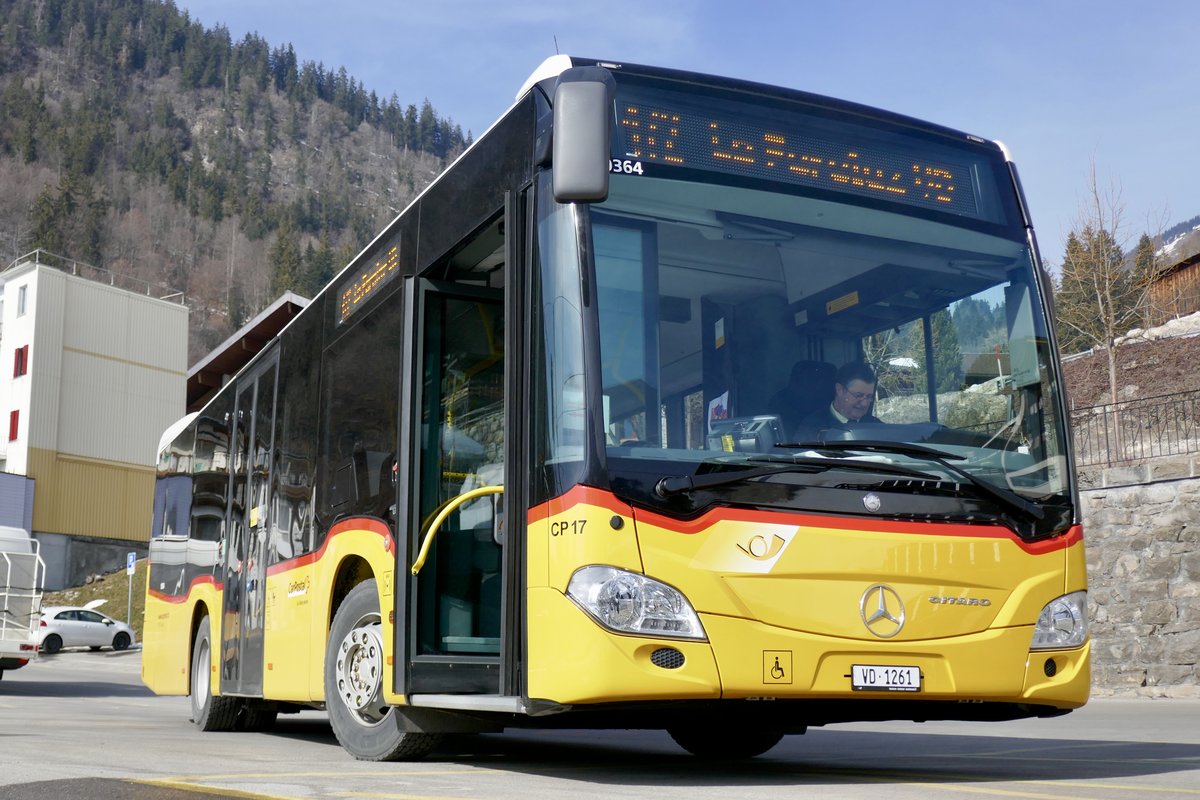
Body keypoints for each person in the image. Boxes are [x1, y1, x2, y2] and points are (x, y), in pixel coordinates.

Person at [796, 360, 882, 439]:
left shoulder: (877, 427)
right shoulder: (811, 427)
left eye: (869, 397)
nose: (864, 404)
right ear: (839, 390)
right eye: (858, 395)